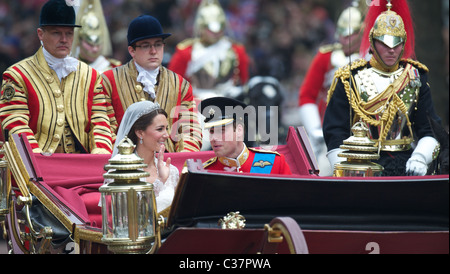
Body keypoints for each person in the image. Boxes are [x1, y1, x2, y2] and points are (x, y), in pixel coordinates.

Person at [323, 0, 441, 176]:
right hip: (360, 163)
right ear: (373, 41)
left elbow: (430, 129)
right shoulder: (350, 78)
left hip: (406, 163)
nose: (392, 49)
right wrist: (343, 168)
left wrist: (420, 158)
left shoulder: (415, 77)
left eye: (397, 42)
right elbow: (335, 130)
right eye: (385, 43)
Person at [0, 0, 112, 154]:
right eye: (56, 33)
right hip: (37, 168)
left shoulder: (91, 75)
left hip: (83, 165)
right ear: (40, 34)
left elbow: (101, 122)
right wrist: (38, 164)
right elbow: (15, 125)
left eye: (69, 33)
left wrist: (98, 157)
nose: (64, 39)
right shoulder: (17, 75)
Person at [102, 15, 202, 153]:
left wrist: (182, 160)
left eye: (158, 44)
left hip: (168, 163)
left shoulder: (181, 84)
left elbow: (189, 129)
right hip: (125, 165)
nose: (153, 51)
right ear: (132, 51)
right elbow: (104, 128)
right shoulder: (109, 81)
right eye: (146, 46)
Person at [298, 3, 366, 176]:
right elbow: (307, 95)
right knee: (321, 172)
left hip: (366, 133)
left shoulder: (372, 58)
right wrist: (315, 130)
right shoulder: (325, 58)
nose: (345, 40)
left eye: (351, 35)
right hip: (330, 132)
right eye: (342, 34)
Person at [168, 0, 250, 100]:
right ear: (201, 27)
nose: (215, 33)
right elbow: (174, 85)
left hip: (229, 100)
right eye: (210, 30)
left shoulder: (236, 50)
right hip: (196, 102)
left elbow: (244, 82)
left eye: (219, 29)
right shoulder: (186, 52)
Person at [109, 100, 179, 214]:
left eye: (166, 128)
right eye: (160, 129)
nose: (166, 135)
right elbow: (127, 215)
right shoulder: (120, 172)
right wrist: (160, 181)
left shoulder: (172, 171)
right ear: (140, 133)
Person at [201, 97, 292, 175]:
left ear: (239, 131)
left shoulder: (275, 163)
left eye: (221, 131)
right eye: (212, 132)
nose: (213, 138)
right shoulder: (204, 172)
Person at [71, 0, 121, 73]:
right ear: (79, 40)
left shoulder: (114, 68)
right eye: (89, 44)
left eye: (98, 44)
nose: (95, 49)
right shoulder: (69, 66)